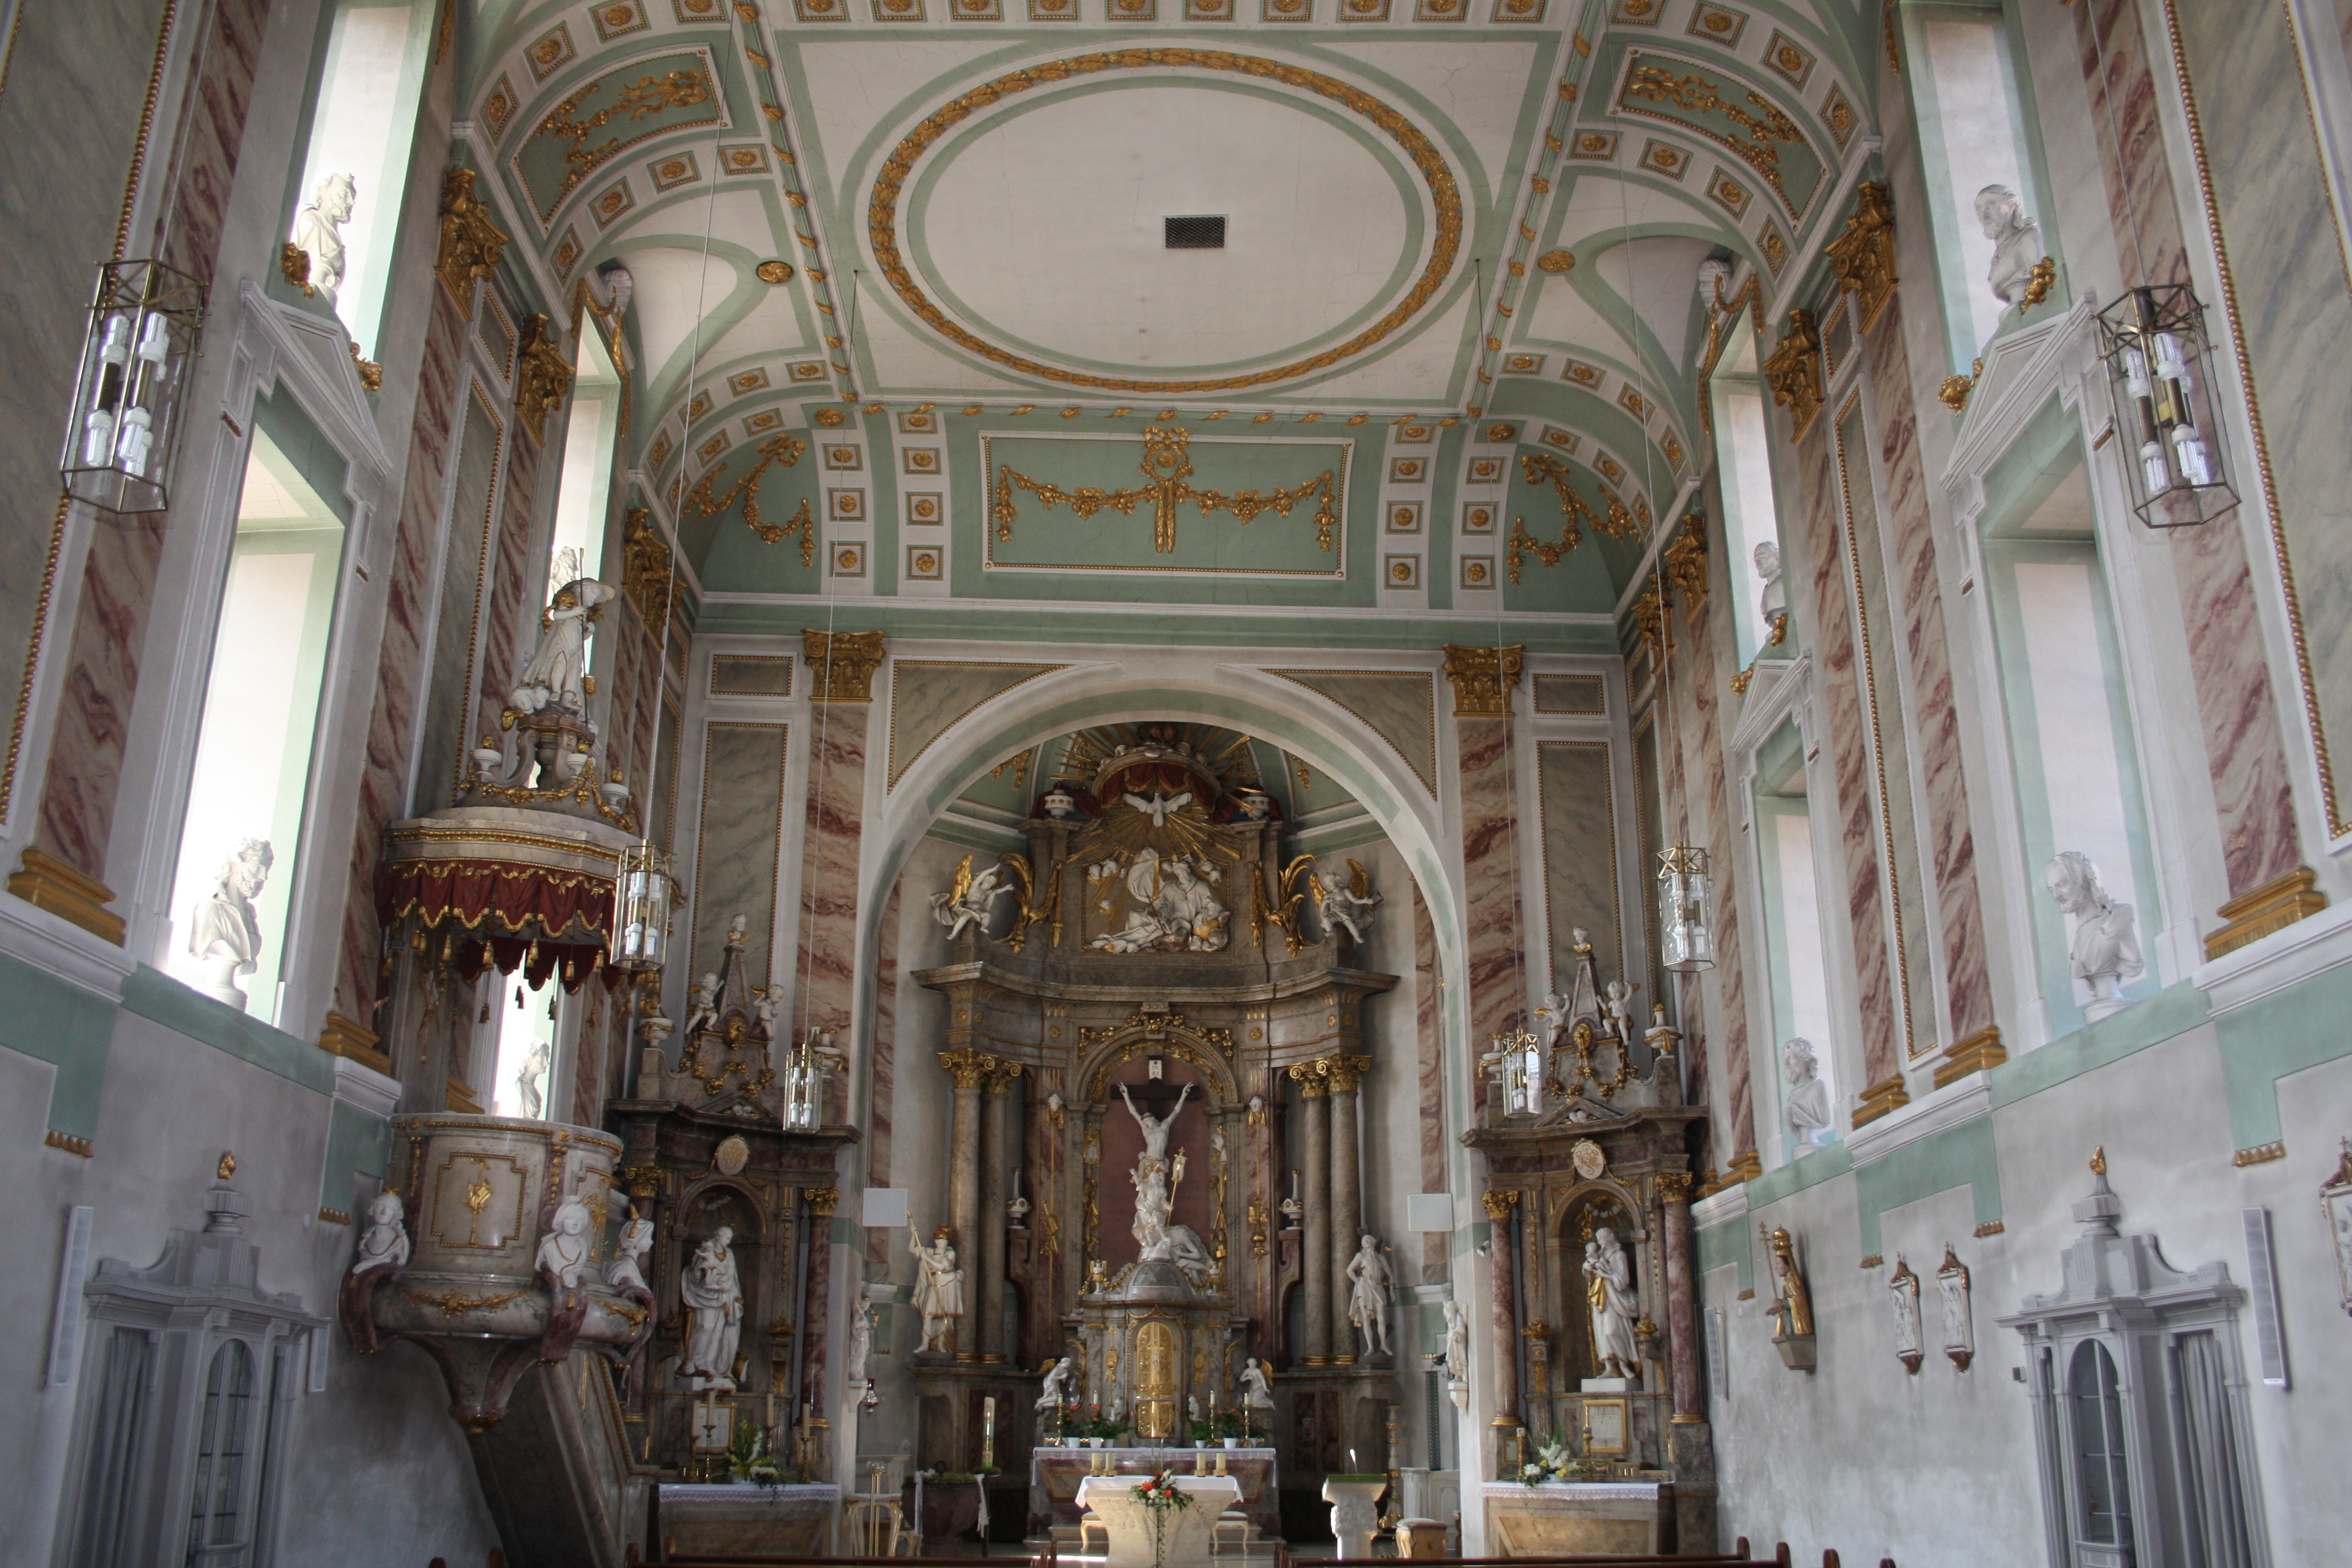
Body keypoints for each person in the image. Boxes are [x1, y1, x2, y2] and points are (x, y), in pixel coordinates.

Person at [680, 1227, 744, 1385]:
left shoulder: (729, 1254)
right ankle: (693, 1363)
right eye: (727, 1238)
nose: (729, 1241)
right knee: (705, 1326)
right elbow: (694, 1273)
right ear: (719, 1236)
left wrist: (727, 1288)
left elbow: (732, 1276)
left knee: (718, 1333)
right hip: (705, 1296)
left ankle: (709, 1366)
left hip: (723, 1296)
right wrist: (702, 1273)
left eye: (730, 1238)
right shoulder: (706, 1250)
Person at [290, 171, 357, 304]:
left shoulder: (336, 239)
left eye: (352, 196)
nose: (351, 201)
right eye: (344, 194)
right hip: (304, 296)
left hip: (322, 300)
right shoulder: (310, 221)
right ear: (325, 192)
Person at [1583, 1228, 1641, 1380]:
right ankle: (1609, 1367)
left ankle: (1624, 1365)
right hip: (1600, 1296)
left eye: (1602, 1238)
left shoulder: (1619, 1255)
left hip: (1616, 1298)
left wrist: (1605, 1275)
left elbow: (1624, 1280)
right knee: (1602, 1332)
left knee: (1613, 1331)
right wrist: (1586, 1268)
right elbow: (1590, 1268)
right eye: (1598, 1239)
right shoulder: (1599, 1255)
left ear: (1610, 1238)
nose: (1600, 1242)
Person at [910, 1226, 966, 1353]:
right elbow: (913, 1249)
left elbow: (943, 1267)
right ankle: (925, 1344)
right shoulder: (931, 1252)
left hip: (949, 1284)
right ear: (936, 1242)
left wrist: (927, 1259)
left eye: (945, 1241)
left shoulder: (950, 1253)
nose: (943, 1244)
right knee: (928, 1314)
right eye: (941, 1241)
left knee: (946, 1316)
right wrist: (913, 1234)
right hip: (935, 1284)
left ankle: (941, 1344)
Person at [1344, 1234, 1393, 1357]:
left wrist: (1392, 1290)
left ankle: (1383, 1345)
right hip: (1364, 1288)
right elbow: (1349, 1270)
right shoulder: (1360, 1256)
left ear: (1373, 1242)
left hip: (1378, 1287)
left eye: (1368, 1239)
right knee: (1366, 1317)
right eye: (1363, 1240)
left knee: (1381, 1317)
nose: (1365, 1241)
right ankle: (1370, 1347)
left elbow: (1390, 1274)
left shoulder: (1380, 1257)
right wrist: (1358, 1282)